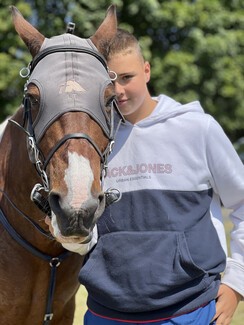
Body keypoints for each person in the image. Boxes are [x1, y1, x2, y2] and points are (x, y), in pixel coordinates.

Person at [46, 29, 244, 324]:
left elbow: (241, 203)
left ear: (147, 70)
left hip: (190, 309)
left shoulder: (198, 129)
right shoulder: (90, 143)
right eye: (110, 81)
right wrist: (73, 233)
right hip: (106, 312)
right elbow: (89, 234)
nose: (119, 91)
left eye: (127, 77)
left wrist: (236, 283)